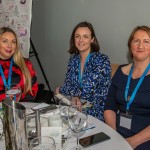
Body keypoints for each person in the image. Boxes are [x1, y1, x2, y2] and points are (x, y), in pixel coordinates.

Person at [104, 26, 150, 150]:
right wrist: (114, 135)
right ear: (130, 45)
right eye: (136, 41)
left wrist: (132, 142)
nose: (140, 46)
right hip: (117, 133)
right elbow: (109, 106)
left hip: (145, 139)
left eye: (146, 41)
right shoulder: (120, 71)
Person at [56, 21, 111, 121]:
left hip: (95, 113)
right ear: (74, 39)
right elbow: (68, 84)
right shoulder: (73, 60)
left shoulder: (102, 60)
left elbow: (88, 90)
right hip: (74, 109)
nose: (81, 40)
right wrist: (73, 95)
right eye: (77, 36)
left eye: (85, 36)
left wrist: (61, 89)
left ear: (92, 39)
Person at [0, 27, 38, 102]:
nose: (10, 45)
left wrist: (19, 105)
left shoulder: (26, 64)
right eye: (5, 41)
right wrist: (4, 97)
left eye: (13, 42)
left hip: (21, 109)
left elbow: (33, 89)